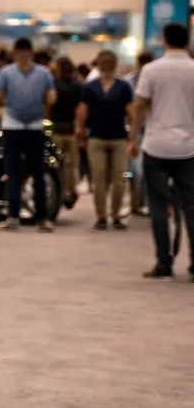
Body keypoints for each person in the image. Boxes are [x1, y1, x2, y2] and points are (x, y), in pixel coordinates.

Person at [130, 22, 194, 278]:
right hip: (189, 148)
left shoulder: (151, 70)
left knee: (157, 207)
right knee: (191, 207)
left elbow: (140, 107)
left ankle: (163, 262)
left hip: (156, 147)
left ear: (165, 40)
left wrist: (133, 138)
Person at [0, 37, 57, 231]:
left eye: (25, 53)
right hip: (12, 127)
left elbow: (51, 97)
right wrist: (3, 116)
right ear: (15, 53)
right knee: (14, 174)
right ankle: (13, 216)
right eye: (20, 53)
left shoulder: (43, 73)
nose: (23, 56)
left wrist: (45, 109)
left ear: (31, 53)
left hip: (35, 126)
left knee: (38, 173)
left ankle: (42, 217)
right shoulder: (6, 73)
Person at [78, 50, 135, 230]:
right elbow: (83, 111)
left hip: (118, 137)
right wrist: (81, 132)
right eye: (104, 63)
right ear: (99, 65)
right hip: (97, 137)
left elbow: (131, 113)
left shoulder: (123, 87)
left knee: (119, 179)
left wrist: (132, 137)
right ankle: (102, 216)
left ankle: (115, 214)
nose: (107, 66)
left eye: (110, 63)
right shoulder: (91, 87)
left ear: (115, 65)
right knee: (99, 178)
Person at [49, 54, 82, 210]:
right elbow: (80, 109)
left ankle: (61, 192)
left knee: (58, 164)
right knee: (72, 165)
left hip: (56, 129)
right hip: (71, 130)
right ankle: (72, 190)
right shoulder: (77, 86)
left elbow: (48, 106)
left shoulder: (53, 85)